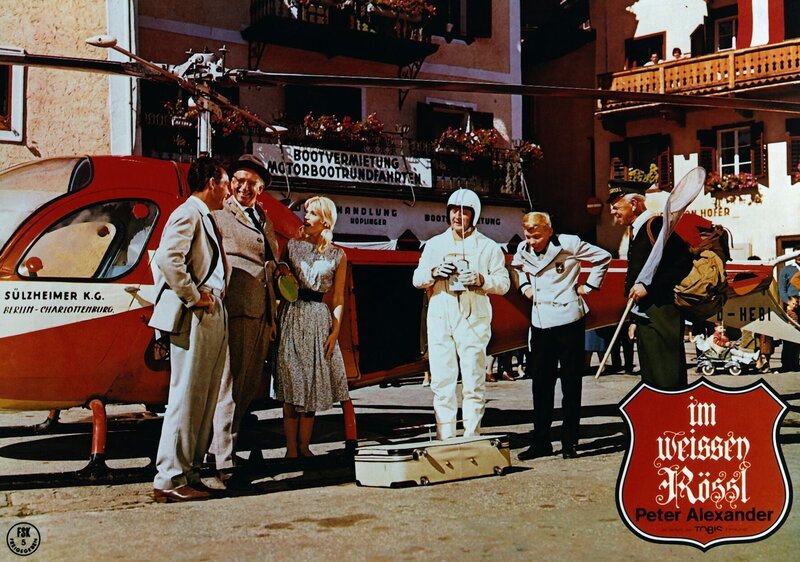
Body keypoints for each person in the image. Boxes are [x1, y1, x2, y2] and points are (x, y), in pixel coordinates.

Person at [149, 157, 230, 502]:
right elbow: (168, 258)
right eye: (226, 184)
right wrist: (193, 296)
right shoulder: (187, 213)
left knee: (204, 398)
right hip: (195, 313)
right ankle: (169, 478)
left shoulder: (204, 216)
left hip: (212, 311)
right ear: (212, 183)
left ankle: (189, 473)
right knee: (185, 397)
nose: (228, 191)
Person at [412, 188, 510, 440]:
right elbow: (417, 279)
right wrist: (434, 272)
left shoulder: (488, 247)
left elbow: (503, 283)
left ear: (474, 216)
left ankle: (471, 435)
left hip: (473, 314)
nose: (457, 216)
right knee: (442, 380)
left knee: (473, 378)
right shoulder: (435, 244)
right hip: (441, 313)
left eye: (464, 212)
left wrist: (481, 279)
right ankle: (445, 436)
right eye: (454, 211)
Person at [512, 212, 611, 460]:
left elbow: (602, 257)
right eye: (527, 236)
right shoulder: (523, 248)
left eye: (536, 236)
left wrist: (589, 286)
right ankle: (541, 442)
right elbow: (517, 267)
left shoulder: (569, 243)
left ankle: (570, 442)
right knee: (540, 385)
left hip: (568, 320)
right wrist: (525, 287)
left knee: (570, 383)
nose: (531, 241)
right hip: (540, 322)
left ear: (549, 230)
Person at [208, 154, 279, 490]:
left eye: (253, 183)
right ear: (230, 183)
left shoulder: (262, 217)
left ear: (261, 189)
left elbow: (269, 259)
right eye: (240, 181)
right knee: (230, 387)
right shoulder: (219, 214)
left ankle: (219, 450)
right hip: (235, 309)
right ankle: (224, 462)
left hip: (261, 311)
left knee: (247, 388)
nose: (245, 188)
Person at [275, 196, 349, 457]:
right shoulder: (292, 246)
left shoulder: (338, 255)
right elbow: (278, 278)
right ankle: (290, 449)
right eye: (306, 212)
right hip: (292, 315)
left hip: (318, 319)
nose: (306, 217)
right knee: (290, 383)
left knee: (311, 385)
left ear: (326, 220)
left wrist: (335, 331)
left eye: (313, 213)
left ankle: (304, 447)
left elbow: (338, 297)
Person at [609, 182, 693, 390]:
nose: (613, 212)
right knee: (651, 375)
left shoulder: (655, 225)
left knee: (666, 375)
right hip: (645, 312)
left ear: (634, 204)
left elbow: (683, 262)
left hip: (661, 311)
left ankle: (671, 409)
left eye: (617, 207)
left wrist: (650, 288)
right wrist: (634, 319)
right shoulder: (636, 230)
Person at [778, 253, 800, 372]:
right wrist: (788, 302)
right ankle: (787, 363)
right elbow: (782, 288)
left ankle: (796, 362)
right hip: (792, 306)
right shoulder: (787, 269)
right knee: (790, 334)